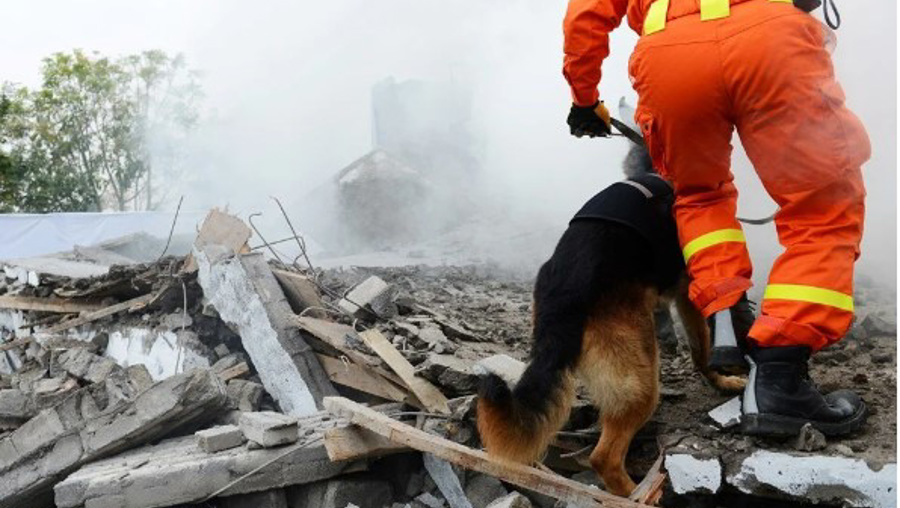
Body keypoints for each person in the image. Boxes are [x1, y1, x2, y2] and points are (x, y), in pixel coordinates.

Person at [562, 0, 870, 437]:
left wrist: (585, 99)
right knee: (822, 207)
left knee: (699, 196)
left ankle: (727, 318)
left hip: (670, 53)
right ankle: (780, 378)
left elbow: (586, 13)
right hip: (767, 37)